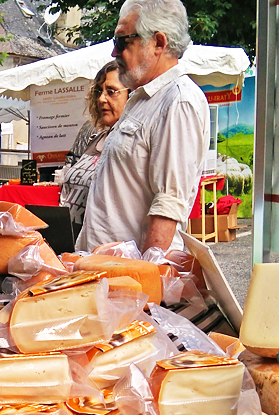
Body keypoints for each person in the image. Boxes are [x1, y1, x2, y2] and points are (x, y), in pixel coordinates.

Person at [75, 0, 209, 253]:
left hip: (128, 279)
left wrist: (144, 281)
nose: (115, 53)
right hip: (107, 271)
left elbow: (168, 206)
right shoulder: (143, 99)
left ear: (158, 43)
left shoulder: (179, 100)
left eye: (122, 41)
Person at [60, 60, 131, 232]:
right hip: (71, 243)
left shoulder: (132, 145)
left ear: (132, 96)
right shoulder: (93, 138)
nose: (101, 99)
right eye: (99, 91)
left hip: (103, 247)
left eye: (111, 92)